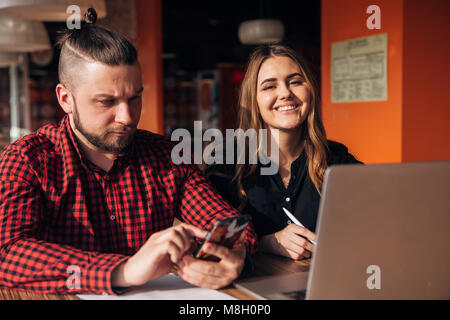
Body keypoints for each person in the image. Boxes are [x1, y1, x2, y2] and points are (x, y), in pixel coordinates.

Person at [0, 11, 257, 295]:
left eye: (134, 98)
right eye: (106, 101)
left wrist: (235, 255)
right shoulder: (27, 160)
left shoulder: (167, 156)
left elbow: (227, 222)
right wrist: (123, 271)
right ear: (65, 100)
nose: (126, 116)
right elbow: (7, 254)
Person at [206, 44, 361, 261]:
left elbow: (375, 225)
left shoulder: (338, 161)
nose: (286, 93)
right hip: (247, 290)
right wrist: (266, 242)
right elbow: (207, 244)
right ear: (253, 100)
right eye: (269, 86)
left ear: (310, 91)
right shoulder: (226, 167)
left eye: (295, 82)